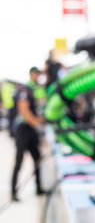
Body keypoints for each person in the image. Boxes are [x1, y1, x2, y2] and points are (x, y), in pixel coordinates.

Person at [11, 67, 46, 201]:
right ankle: (13, 192)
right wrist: (38, 124)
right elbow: (24, 112)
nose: (39, 77)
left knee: (37, 159)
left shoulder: (34, 90)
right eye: (37, 75)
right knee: (19, 162)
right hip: (23, 132)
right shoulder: (25, 89)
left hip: (31, 131)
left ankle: (39, 187)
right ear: (32, 75)